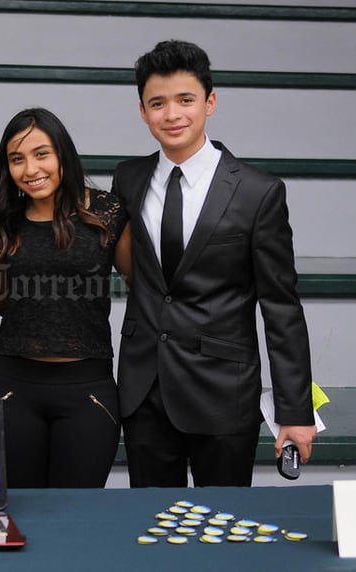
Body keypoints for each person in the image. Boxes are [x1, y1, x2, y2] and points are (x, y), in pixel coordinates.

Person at [111, 39, 316, 487]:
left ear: (210, 101)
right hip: (143, 388)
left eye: (186, 100)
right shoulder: (128, 178)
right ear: (143, 112)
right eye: (157, 103)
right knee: (151, 530)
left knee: (222, 533)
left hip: (224, 392)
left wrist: (295, 411)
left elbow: (281, 307)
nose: (172, 114)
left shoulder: (258, 192)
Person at [0, 108, 131, 488]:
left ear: (63, 153)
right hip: (12, 384)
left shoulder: (106, 211)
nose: (30, 168)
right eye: (17, 159)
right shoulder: (1, 218)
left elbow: (148, 285)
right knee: (20, 512)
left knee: (75, 516)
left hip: (87, 389)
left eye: (41, 154)